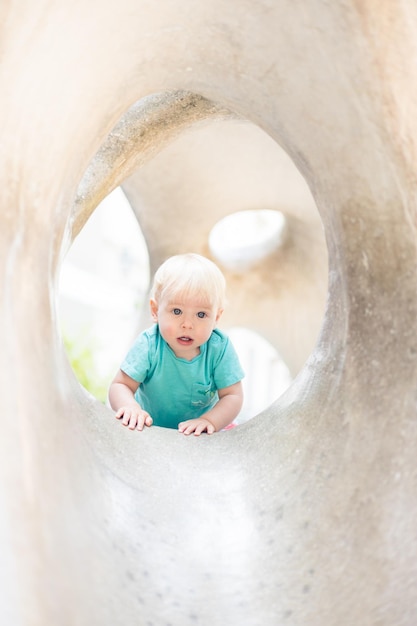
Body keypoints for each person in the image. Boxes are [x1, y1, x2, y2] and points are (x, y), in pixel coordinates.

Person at [108, 253, 244, 436]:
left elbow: (232, 396)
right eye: (177, 311)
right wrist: (130, 407)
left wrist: (209, 420)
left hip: (200, 432)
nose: (188, 324)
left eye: (201, 315)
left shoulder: (219, 347)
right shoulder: (149, 344)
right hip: (151, 427)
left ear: (216, 318)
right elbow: (121, 385)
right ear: (155, 311)